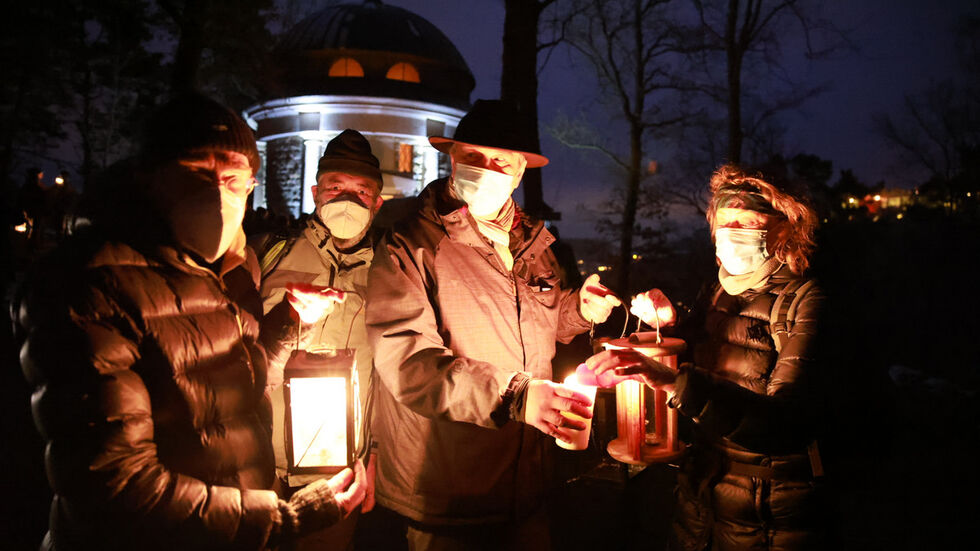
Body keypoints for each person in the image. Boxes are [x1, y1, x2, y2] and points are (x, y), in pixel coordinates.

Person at [13, 93, 365, 551]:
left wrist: (290, 321)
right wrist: (282, 517)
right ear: (150, 178)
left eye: (234, 178)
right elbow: (116, 487)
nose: (217, 193)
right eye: (198, 172)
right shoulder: (90, 285)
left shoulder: (227, 269)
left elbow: (225, 386)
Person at [365, 99, 621, 550]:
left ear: (519, 172)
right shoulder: (411, 244)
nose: (483, 169)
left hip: (527, 482)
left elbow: (536, 325)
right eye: (472, 157)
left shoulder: (534, 243)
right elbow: (408, 361)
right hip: (450, 487)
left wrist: (579, 309)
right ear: (451, 158)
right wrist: (515, 395)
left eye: (498, 161)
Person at [586, 164, 829, 551]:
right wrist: (666, 325)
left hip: (771, 518)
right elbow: (703, 355)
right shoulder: (718, 293)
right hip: (700, 504)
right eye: (724, 221)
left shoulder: (808, 301)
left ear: (784, 228)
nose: (731, 232)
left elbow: (787, 423)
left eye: (747, 221)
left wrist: (671, 380)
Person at [258, 129, 384, 549]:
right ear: (316, 192)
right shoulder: (267, 257)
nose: (347, 200)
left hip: (339, 475)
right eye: (335, 187)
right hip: (263, 470)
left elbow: (389, 377)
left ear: (377, 202)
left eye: (361, 190)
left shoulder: (390, 275)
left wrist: (376, 456)